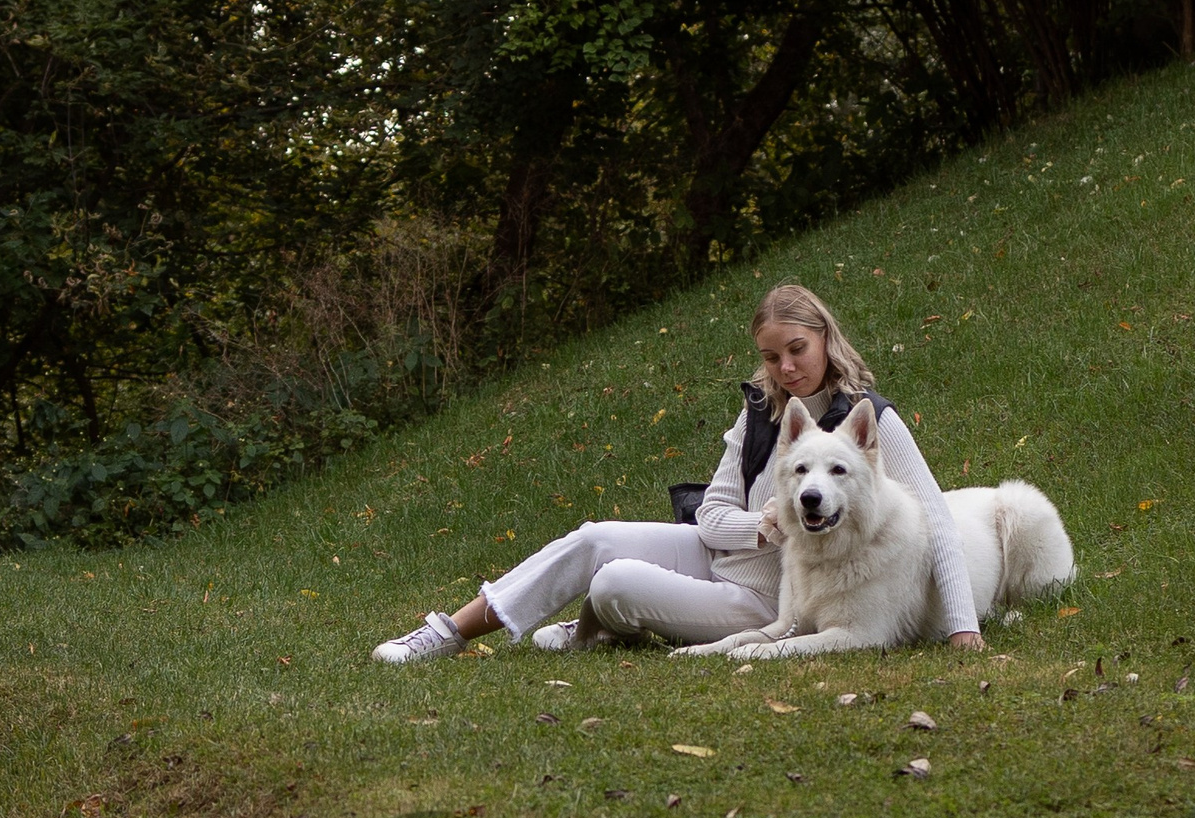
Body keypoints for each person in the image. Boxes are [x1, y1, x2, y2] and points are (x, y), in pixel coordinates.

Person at [371, 282, 986, 662]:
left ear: (825, 338)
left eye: (797, 349)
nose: (786, 367)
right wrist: (762, 524)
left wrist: (962, 626)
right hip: (720, 554)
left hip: (769, 596)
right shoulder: (763, 412)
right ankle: (447, 632)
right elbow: (711, 515)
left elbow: (936, 520)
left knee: (616, 582)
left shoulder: (869, 420)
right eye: (771, 356)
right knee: (594, 539)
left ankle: (605, 623)